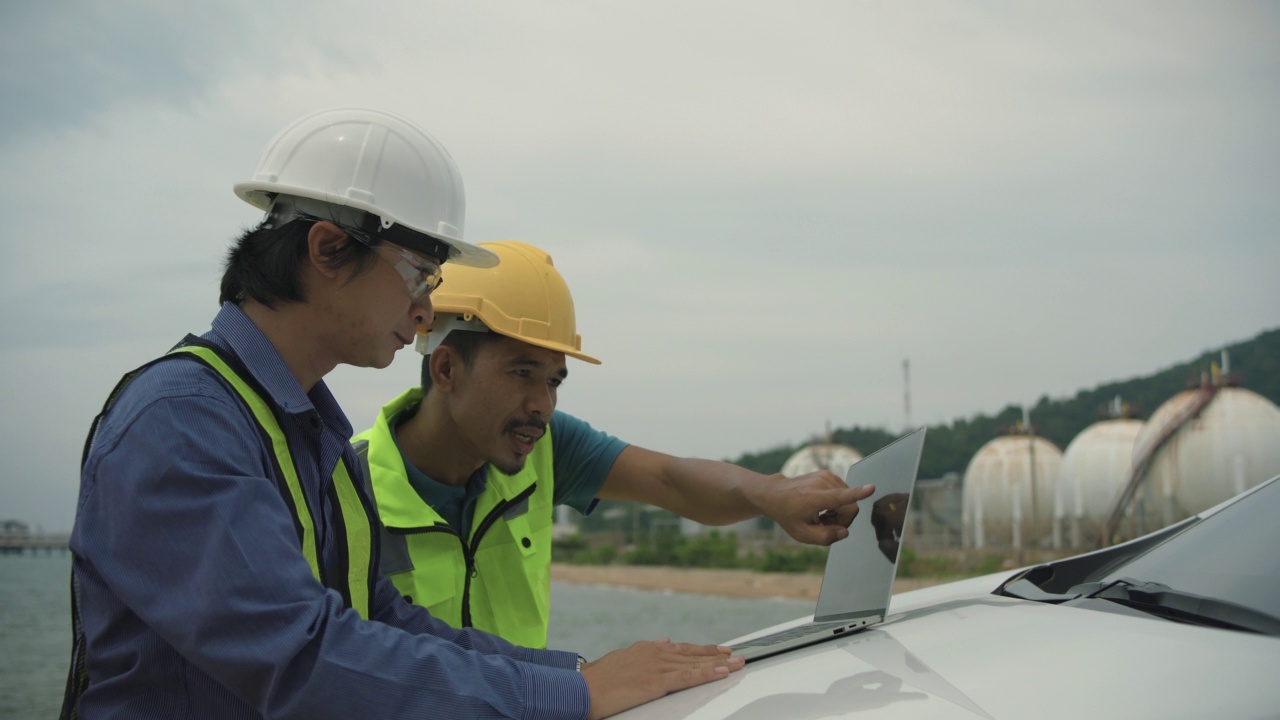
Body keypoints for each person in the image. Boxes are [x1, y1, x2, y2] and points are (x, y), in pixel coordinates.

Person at [63, 108, 741, 720]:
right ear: (329, 249)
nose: (423, 313)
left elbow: (378, 618)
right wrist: (573, 695)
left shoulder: (307, 430)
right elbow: (299, 655)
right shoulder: (182, 422)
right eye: (420, 274)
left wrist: (577, 675)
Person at [355, 240, 877, 648]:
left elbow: (669, 480)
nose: (543, 404)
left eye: (555, 381)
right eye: (522, 372)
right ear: (447, 368)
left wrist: (771, 494)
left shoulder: (546, 446)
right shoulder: (341, 487)